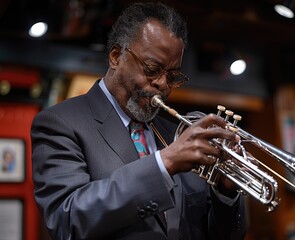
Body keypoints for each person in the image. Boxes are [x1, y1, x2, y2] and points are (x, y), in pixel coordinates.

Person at [31, 2, 247, 239]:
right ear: (116, 57)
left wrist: (226, 191)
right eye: (152, 69)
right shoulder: (60, 123)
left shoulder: (174, 131)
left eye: (173, 76)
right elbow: (67, 219)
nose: (163, 85)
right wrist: (163, 164)